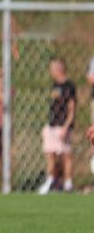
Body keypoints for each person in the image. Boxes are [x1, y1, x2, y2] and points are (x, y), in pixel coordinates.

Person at [39, 57, 76, 194]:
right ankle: (50, 181)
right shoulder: (54, 85)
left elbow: (72, 108)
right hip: (52, 125)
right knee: (50, 154)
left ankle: (68, 183)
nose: (51, 71)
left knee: (66, 155)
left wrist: (66, 126)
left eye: (53, 68)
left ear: (59, 68)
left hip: (63, 125)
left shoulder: (69, 85)